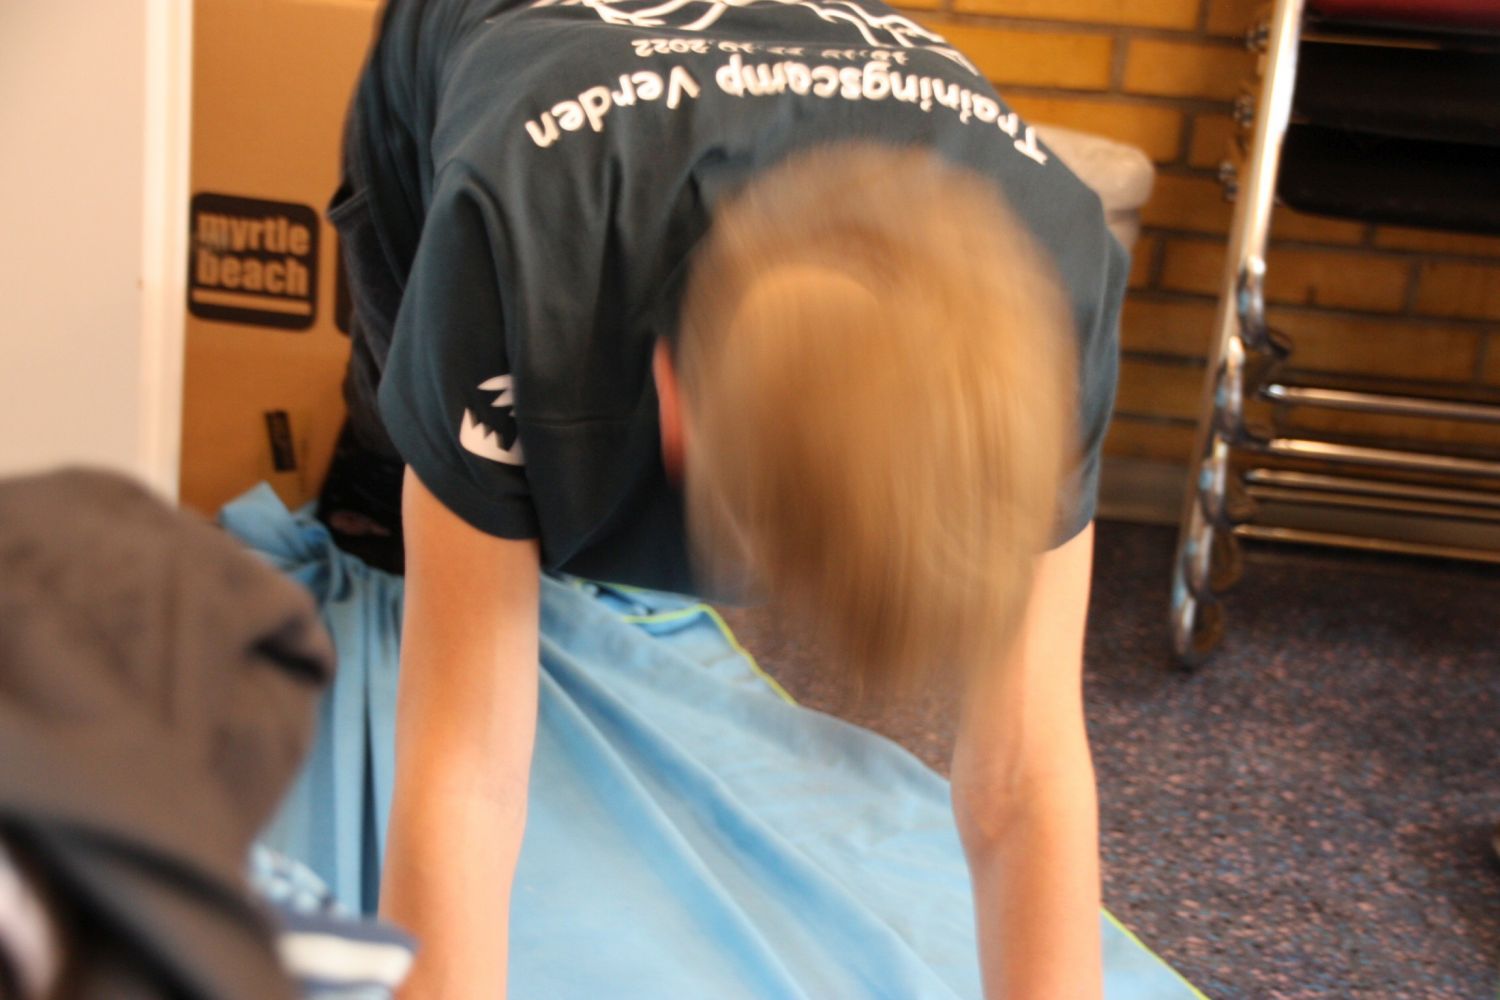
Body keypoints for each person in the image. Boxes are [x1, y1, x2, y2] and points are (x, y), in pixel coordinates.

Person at [317, 0, 1125, 996]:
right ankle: (375, 480)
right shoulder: (515, 234)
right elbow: (466, 774)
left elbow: (1024, 776)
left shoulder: (1048, 294)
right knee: (408, 463)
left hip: (697, 118)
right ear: (669, 405)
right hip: (481, 67)